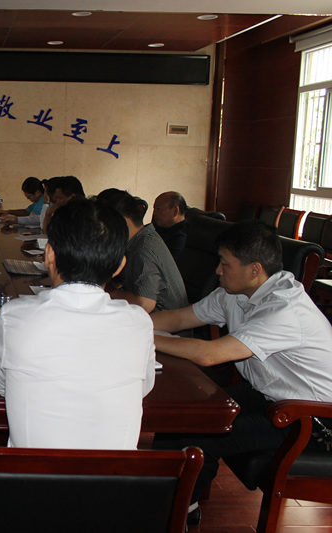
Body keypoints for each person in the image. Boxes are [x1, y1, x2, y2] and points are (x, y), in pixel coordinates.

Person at [151, 219, 332, 526]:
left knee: (201, 437)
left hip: (312, 419)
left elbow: (208, 354)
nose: (218, 270)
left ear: (254, 270)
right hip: (269, 398)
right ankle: (170, 503)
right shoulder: (235, 293)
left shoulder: (283, 310)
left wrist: (141, 335)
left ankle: (177, 513)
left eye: (225, 263)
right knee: (179, 418)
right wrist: (128, 320)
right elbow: (179, 319)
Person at [0, 198, 156, 450]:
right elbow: (144, 387)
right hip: (115, 476)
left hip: (30, 475)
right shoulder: (139, 323)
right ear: (120, 265)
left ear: (49, 254)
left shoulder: (13, 317)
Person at [98, 188, 188, 313]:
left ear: (123, 221)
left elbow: (144, 303)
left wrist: (111, 291)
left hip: (162, 321)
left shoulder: (143, 248)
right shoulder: (138, 239)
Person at [152, 191, 189, 259]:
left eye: (158, 209)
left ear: (175, 211)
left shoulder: (181, 237)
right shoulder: (158, 226)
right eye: (154, 209)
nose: (155, 213)